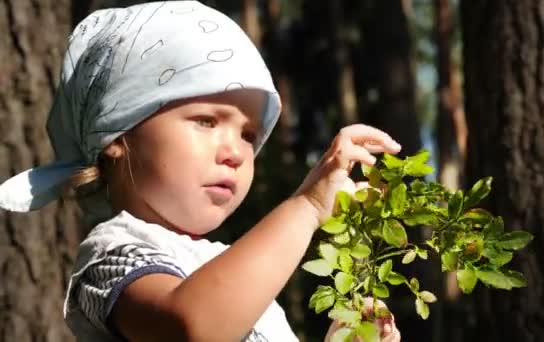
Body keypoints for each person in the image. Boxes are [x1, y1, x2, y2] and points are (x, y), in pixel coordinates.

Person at [0, 1, 402, 341]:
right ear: (117, 134)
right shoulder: (111, 256)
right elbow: (192, 326)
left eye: (248, 134)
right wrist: (307, 207)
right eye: (207, 121)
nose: (236, 153)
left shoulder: (226, 267)